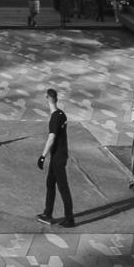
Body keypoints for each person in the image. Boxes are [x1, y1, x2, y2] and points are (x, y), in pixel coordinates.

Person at [40, 86, 77, 226]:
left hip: (57, 158)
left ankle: (69, 218)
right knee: (50, 183)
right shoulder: (62, 114)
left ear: (47, 99)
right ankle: (47, 213)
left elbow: (51, 139)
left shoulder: (55, 118)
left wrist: (43, 156)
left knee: (63, 187)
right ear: (57, 98)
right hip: (60, 154)